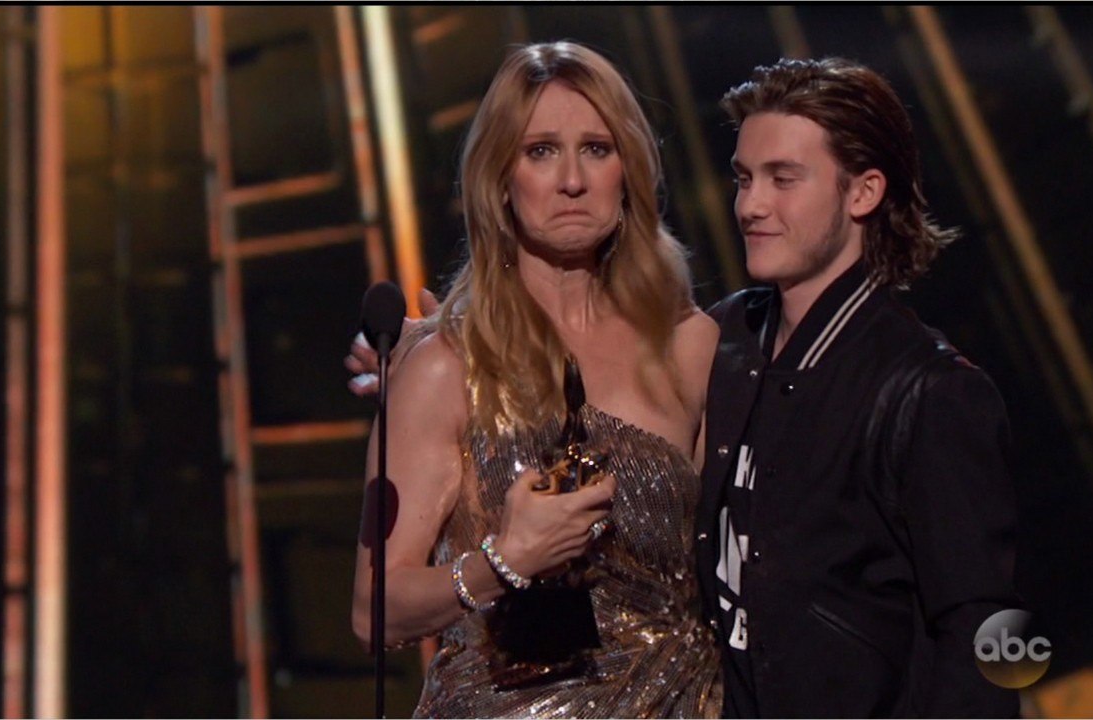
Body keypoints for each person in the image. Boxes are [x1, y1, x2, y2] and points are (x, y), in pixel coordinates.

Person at [348, 42, 721, 718]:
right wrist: (503, 562)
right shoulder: (443, 366)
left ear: (629, 172)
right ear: (500, 178)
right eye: (542, 151)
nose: (572, 180)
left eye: (598, 150)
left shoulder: (693, 346)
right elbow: (374, 611)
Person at [694, 57, 1019, 717]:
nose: (751, 205)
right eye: (745, 178)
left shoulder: (927, 391)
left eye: (784, 179)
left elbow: (993, 638)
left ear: (864, 192)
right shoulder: (721, 340)